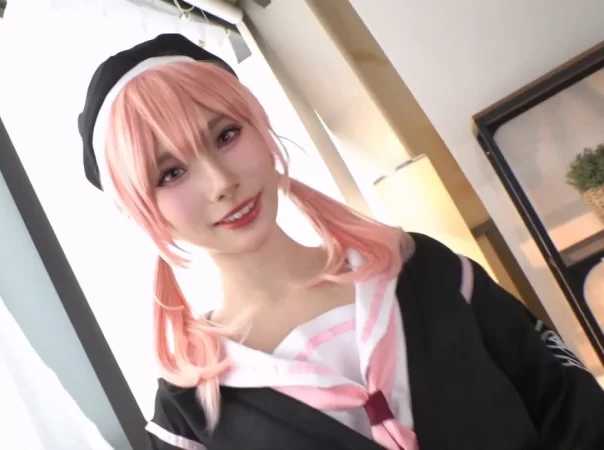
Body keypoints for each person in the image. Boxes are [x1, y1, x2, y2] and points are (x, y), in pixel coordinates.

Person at [78, 33, 604, 450]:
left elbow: (572, 407)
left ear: (259, 127)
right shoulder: (187, 414)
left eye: (226, 135)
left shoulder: (423, 271)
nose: (220, 183)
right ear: (140, 208)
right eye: (170, 173)